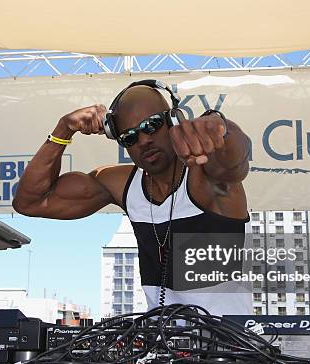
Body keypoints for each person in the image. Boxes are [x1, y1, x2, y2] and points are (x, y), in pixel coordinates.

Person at [13, 80, 252, 315]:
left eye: (152, 125)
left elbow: (233, 164)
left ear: (174, 120)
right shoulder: (122, 184)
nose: (144, 140)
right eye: (130, 137)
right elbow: (30, 202)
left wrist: (221, 129)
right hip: (164, 346)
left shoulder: (206, 174)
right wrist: (63, 129)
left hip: (232, 346)